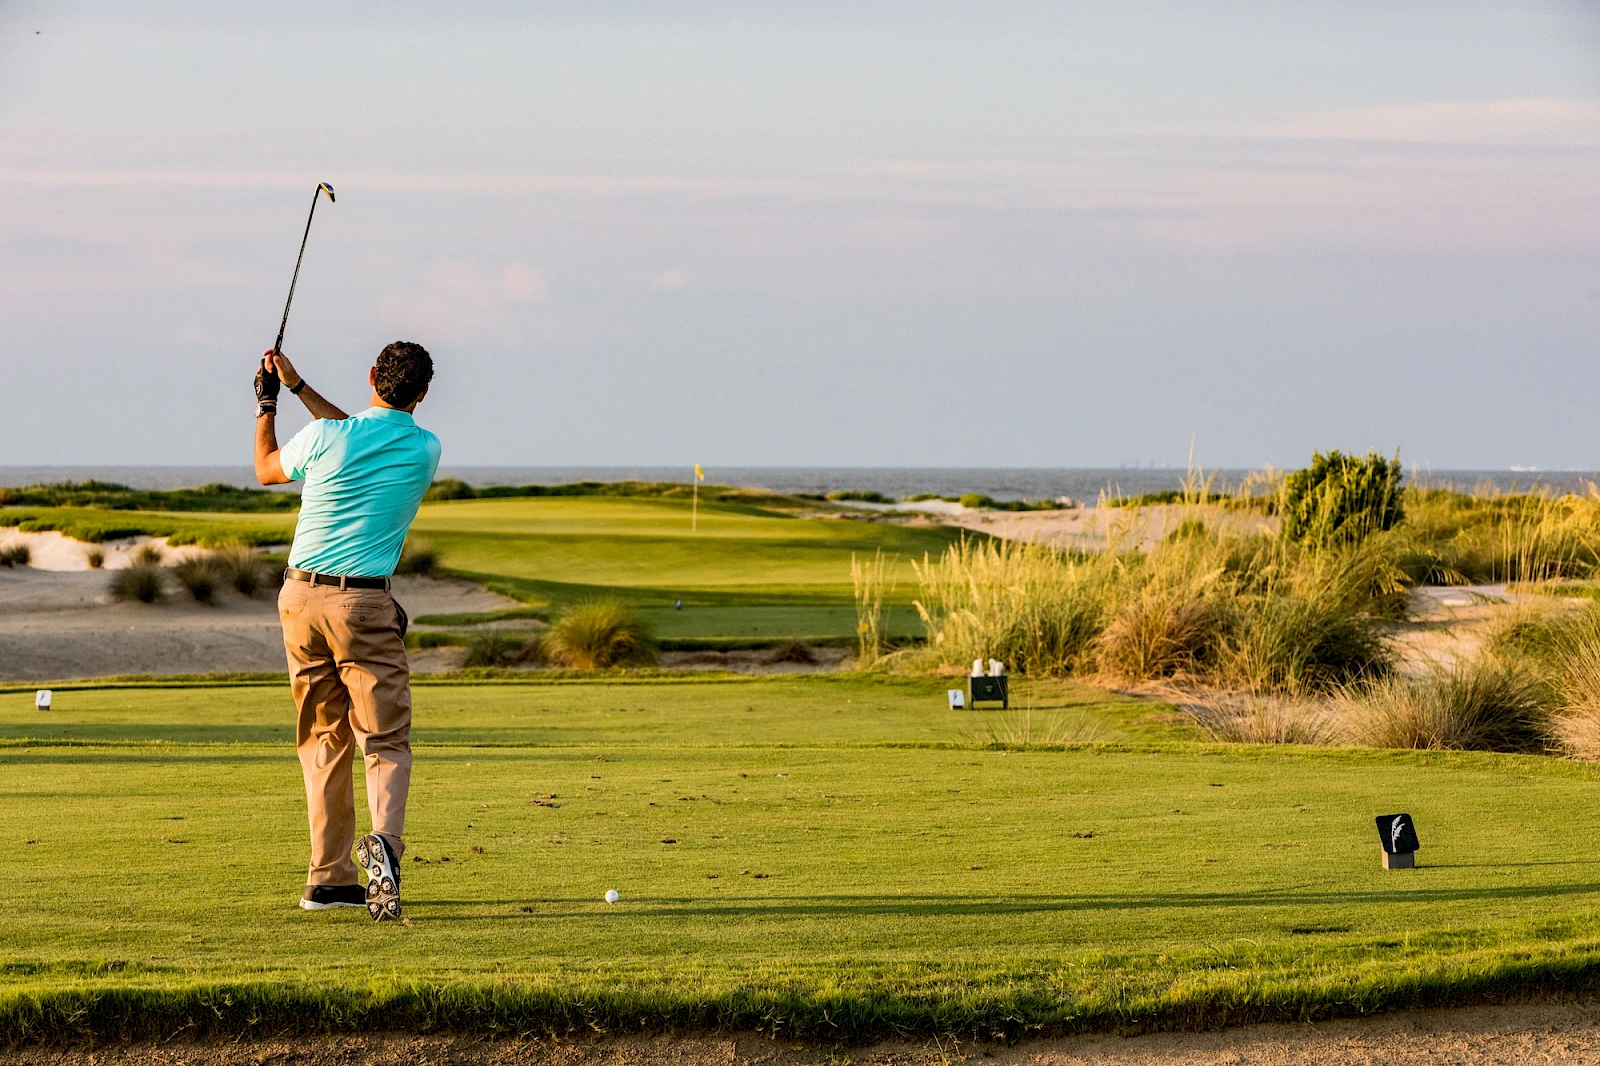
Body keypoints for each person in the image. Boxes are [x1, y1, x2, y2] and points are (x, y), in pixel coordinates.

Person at [252, 342, 441, 922]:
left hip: (298, 599)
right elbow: (359, 432)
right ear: (422, 395)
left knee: (324, 738)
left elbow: (267, 470)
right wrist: (297, 386)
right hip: (363, 604)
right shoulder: (425, 448)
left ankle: (328, 879)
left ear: (372, 375)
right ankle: (384, 846)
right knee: (384, 739)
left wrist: (269, 402)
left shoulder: (326, 438)